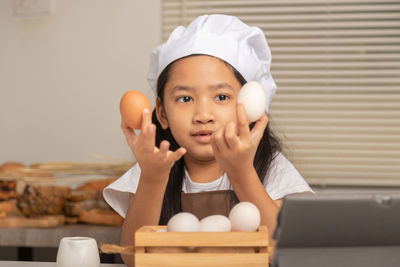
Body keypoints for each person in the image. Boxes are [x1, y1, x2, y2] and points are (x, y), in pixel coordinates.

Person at [103, 14, 313, 266]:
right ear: (161, 113)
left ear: (247, 106)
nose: (203, 115)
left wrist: (242, 172)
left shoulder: (270, 167)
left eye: (221, 97)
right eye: (185, 99)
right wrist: (153, 179)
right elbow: (131, 257)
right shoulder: (153, 167)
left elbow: (283, 252)